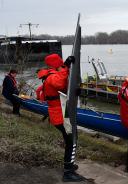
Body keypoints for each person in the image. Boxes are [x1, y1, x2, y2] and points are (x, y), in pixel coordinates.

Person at [41, 53, 84, 182]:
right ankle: (67, 172)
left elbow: (65, 88)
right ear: (56, 66)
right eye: (60, 65)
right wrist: (66, 65)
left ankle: (69, 165)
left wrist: (75, 90)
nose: (62, 68)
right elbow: (60, 83)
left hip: (61, 113)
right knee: (71, 140)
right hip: (58, 115)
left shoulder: (53, 75)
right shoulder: (51, 77)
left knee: (70, 139)